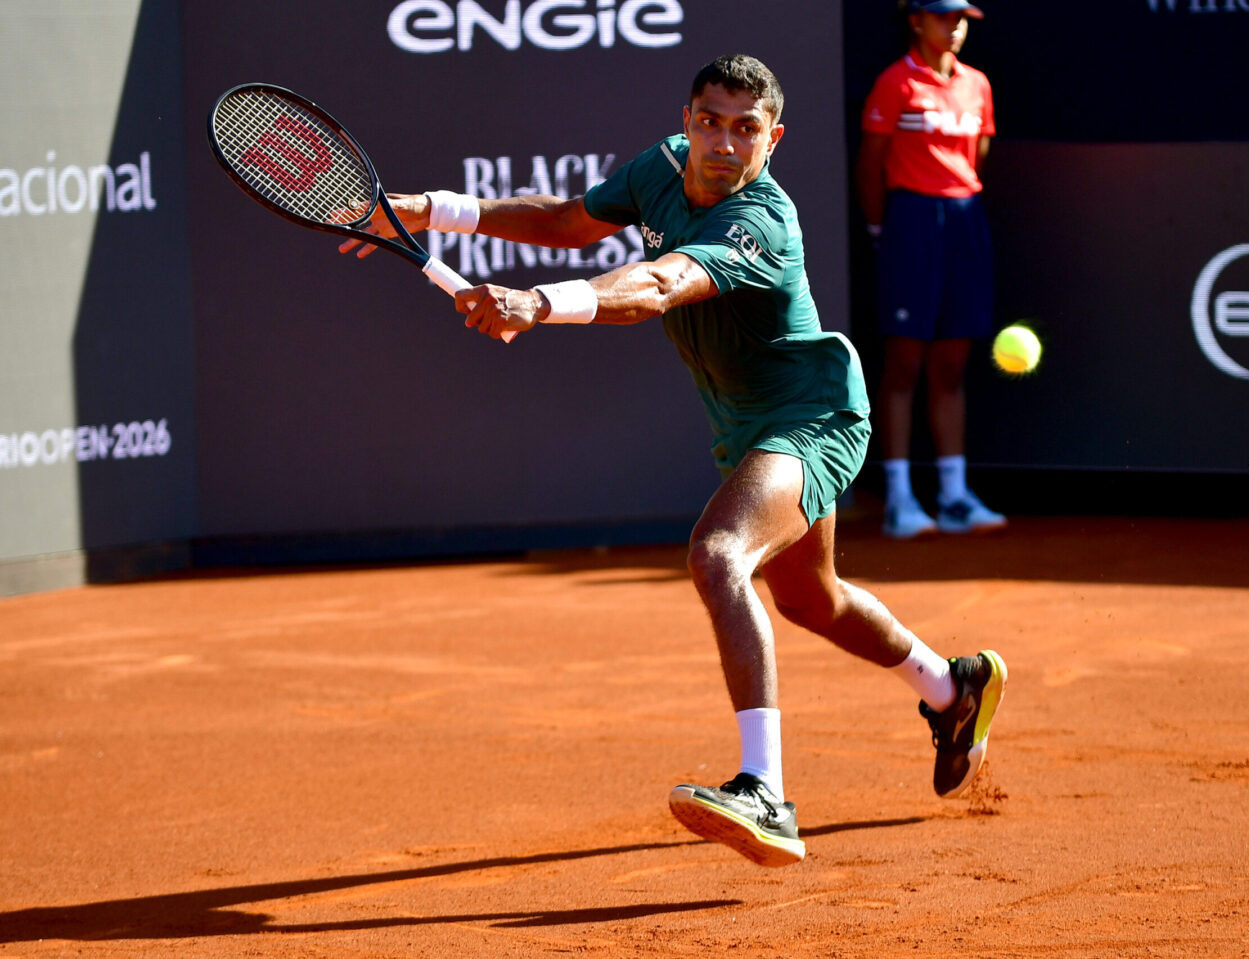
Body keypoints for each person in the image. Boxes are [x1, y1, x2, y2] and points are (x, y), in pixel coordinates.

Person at [341, 54, 1006, 869]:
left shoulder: (761, 222)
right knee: (812, 600)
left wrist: (536, 303)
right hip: (744, 421)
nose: (722, 143)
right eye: (709, 121)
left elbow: (657, 285)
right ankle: (953, 689)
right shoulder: (662, 167)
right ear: (688, 118)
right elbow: (565, 221)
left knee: (717, 552)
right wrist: (430, 211)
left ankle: (765, 789)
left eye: (745, 128)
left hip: (811, 416)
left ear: (774, 138)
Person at [855, 0, 1007, 539]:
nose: (955, 27)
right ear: (916, 20)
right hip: (911, 222)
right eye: (944, 16)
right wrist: (883, 228)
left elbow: (978, 154)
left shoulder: (978, 85)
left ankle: (955, 496)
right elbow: (871, 163)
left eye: (962, 18)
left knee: (951, 363)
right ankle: (899, 500)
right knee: (904, 363)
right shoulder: (895, 83)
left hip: (966, 219)